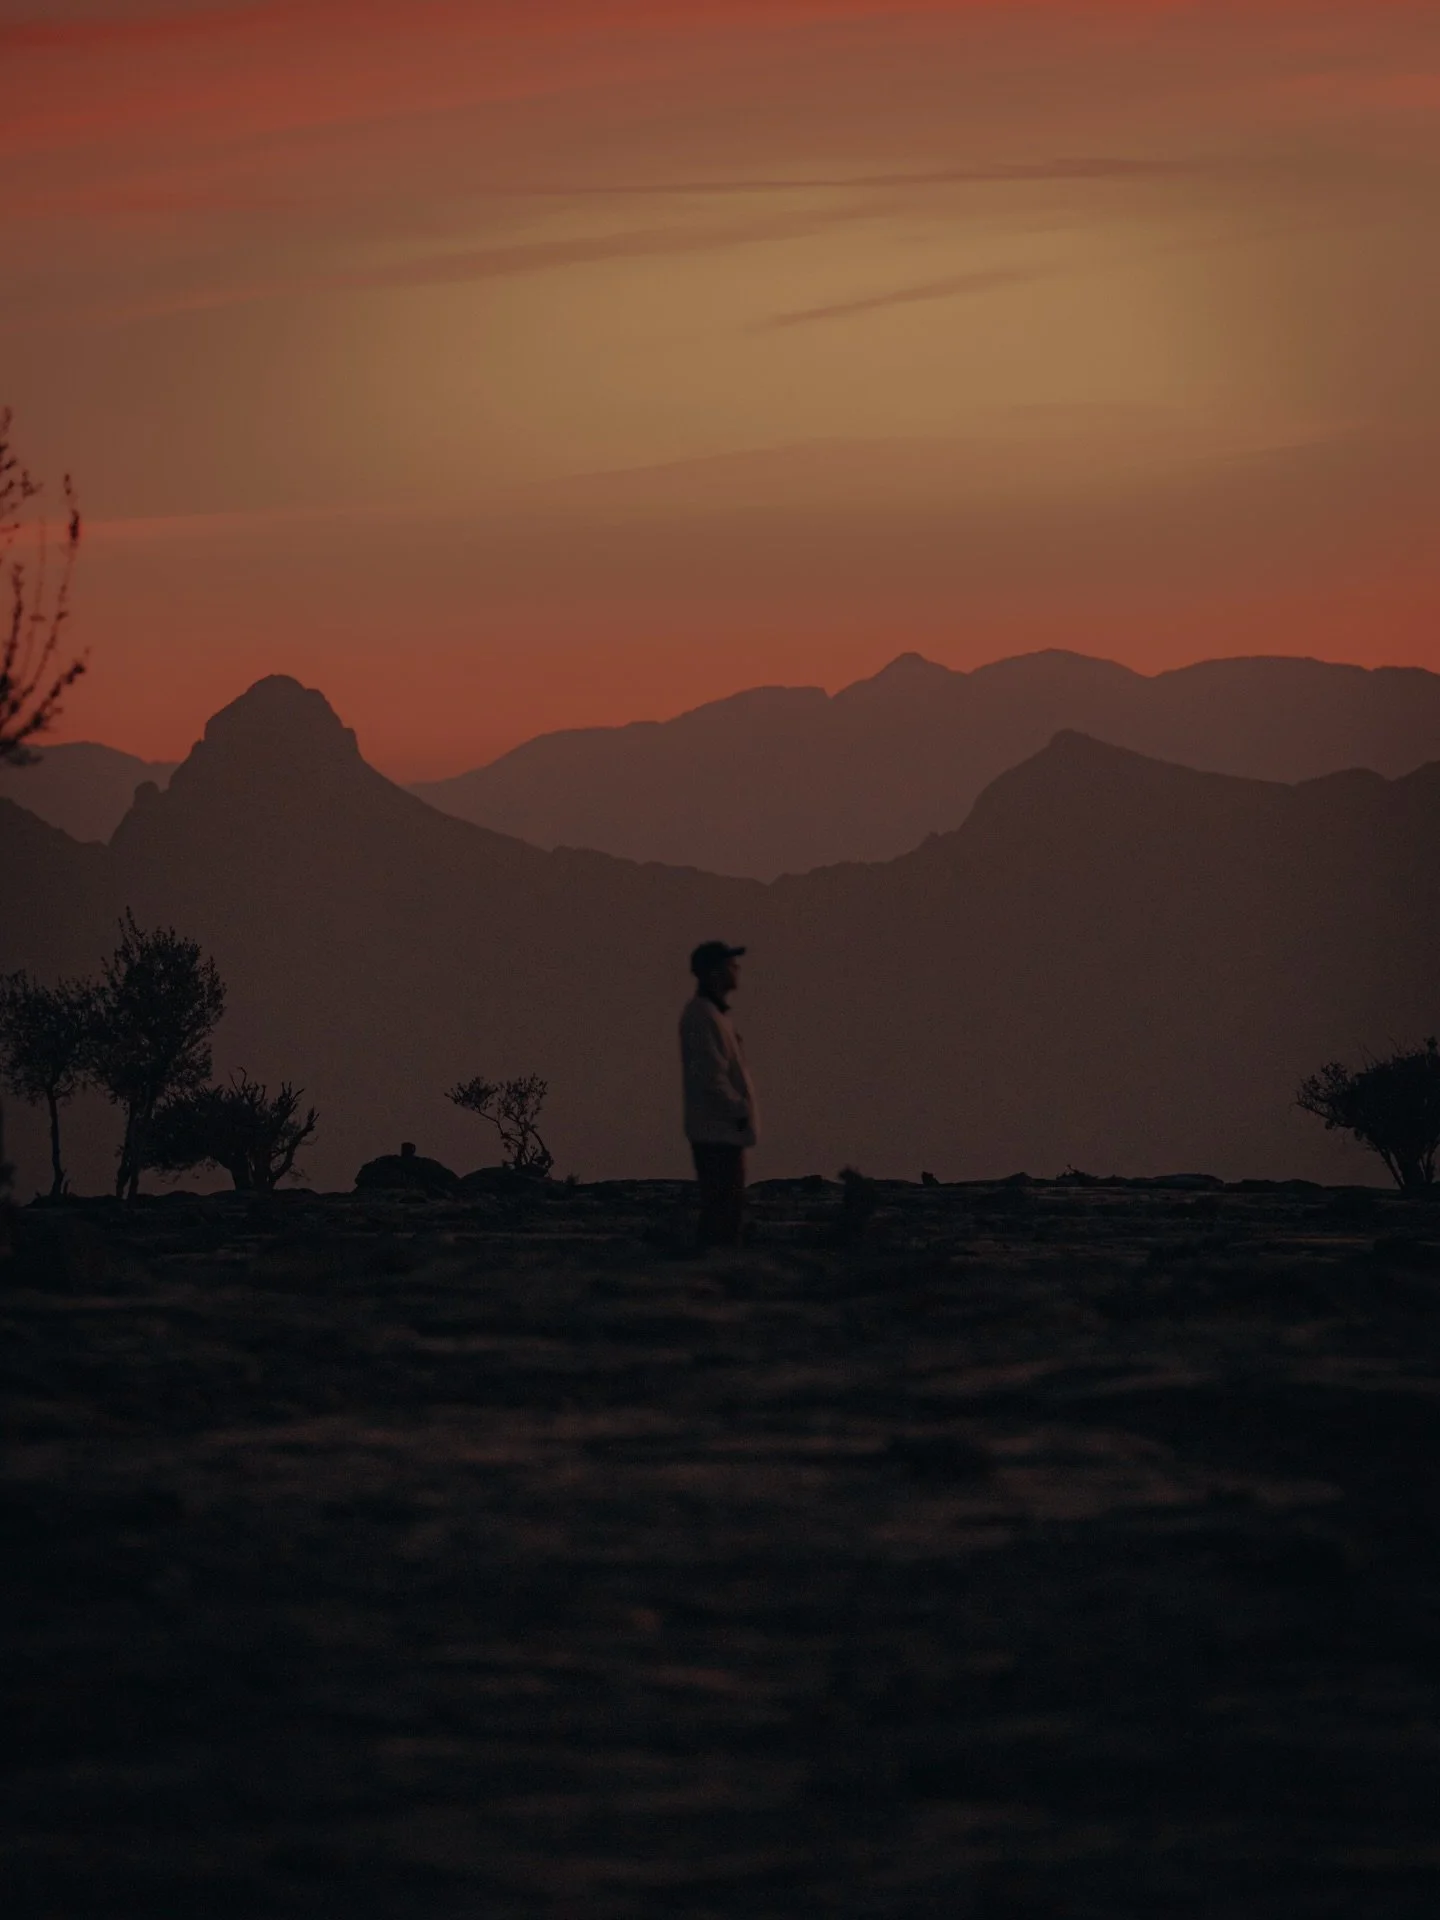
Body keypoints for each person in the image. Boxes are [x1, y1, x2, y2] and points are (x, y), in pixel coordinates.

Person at [680, 941, 758, 1247]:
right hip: (716, 1132)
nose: (736, 970)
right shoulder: (701, 1017)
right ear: (713, 973)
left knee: (726, 1209)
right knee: (722, 1210)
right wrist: (739, 1111)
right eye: (729, 965)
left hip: (723, 1130)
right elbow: (712, 1079)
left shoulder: (712, 1015)